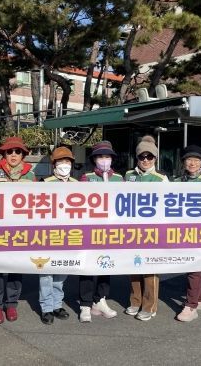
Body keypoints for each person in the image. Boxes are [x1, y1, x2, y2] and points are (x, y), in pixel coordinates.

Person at [0, 136, 37, 324]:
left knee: (16, 266)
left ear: (23, 155)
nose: (13, 155)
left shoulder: (30, 175)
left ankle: (11, 303)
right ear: (4, 154)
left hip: (20, 227)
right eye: (10, 151)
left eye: (18, 151)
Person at [78, 140, 123, 322]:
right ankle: (85, 304)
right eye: (100, 156)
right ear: (94, 159)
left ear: (112, 159)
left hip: (111, 229)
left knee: (107, 264)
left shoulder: (119, 179)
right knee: (88, 266)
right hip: (90, 228)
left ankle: (100, 299)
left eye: (107, 156)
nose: (104, 160)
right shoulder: (86, 177)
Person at [124, 135, 168, 321]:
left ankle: (150, 306)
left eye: (149, 156)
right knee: (133, 265)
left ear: (155, 158)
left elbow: (167, 204)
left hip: (152, 229)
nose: (145, 160)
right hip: (131, 228)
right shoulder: (128, 175)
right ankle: (135, 301)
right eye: (142, 156)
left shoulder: (161, 178)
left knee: (150, 267)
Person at [174, 145, 201, 322]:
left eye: (196, 160)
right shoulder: (176, 182)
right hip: (180, 230)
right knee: (189, 265)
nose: (192, 163)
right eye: (189, 159)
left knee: (194, 266)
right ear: (183, 162)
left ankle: (191, 305)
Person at [38, 146, 77, 325]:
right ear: (54, 164)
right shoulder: (44, 183)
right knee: (46, 273)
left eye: (67, 161)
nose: (64, 165)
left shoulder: (77, 184)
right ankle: (46, 307)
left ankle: (57, 304)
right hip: (47, 233)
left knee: (61, 271)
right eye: (61, 161)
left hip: (69, 234)